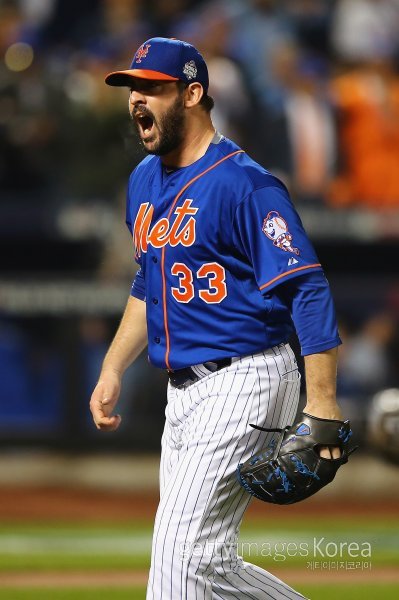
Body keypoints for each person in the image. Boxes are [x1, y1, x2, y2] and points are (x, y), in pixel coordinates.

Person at [90, 37, 343, 600]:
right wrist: (113, 367)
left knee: (177, 554)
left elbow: (307, 287)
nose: (136, 99)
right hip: (182, 392)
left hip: (246, 376)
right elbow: (147, 281)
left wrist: (322, 397)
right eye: (133, 88)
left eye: (152, 88)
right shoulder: (143, 182)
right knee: (202, 559)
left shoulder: (245, 184)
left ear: (193, 93)